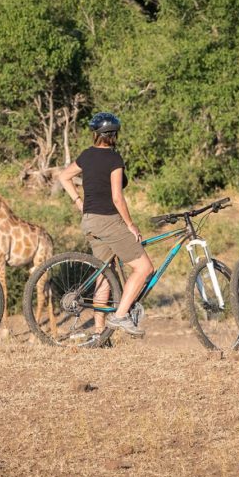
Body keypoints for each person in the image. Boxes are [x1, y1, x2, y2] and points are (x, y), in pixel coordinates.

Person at [58, 112, 154, 337]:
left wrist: (79, 202)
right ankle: (120, 316)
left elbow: (64, 177)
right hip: (108, 221)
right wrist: (130, 224)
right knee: (144, 268)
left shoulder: (86, 155)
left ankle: (99, 332)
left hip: (89, 221)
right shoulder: (114, 159)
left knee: (105, 274)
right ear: (113, 136)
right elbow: (117, 198)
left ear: (96, 134)